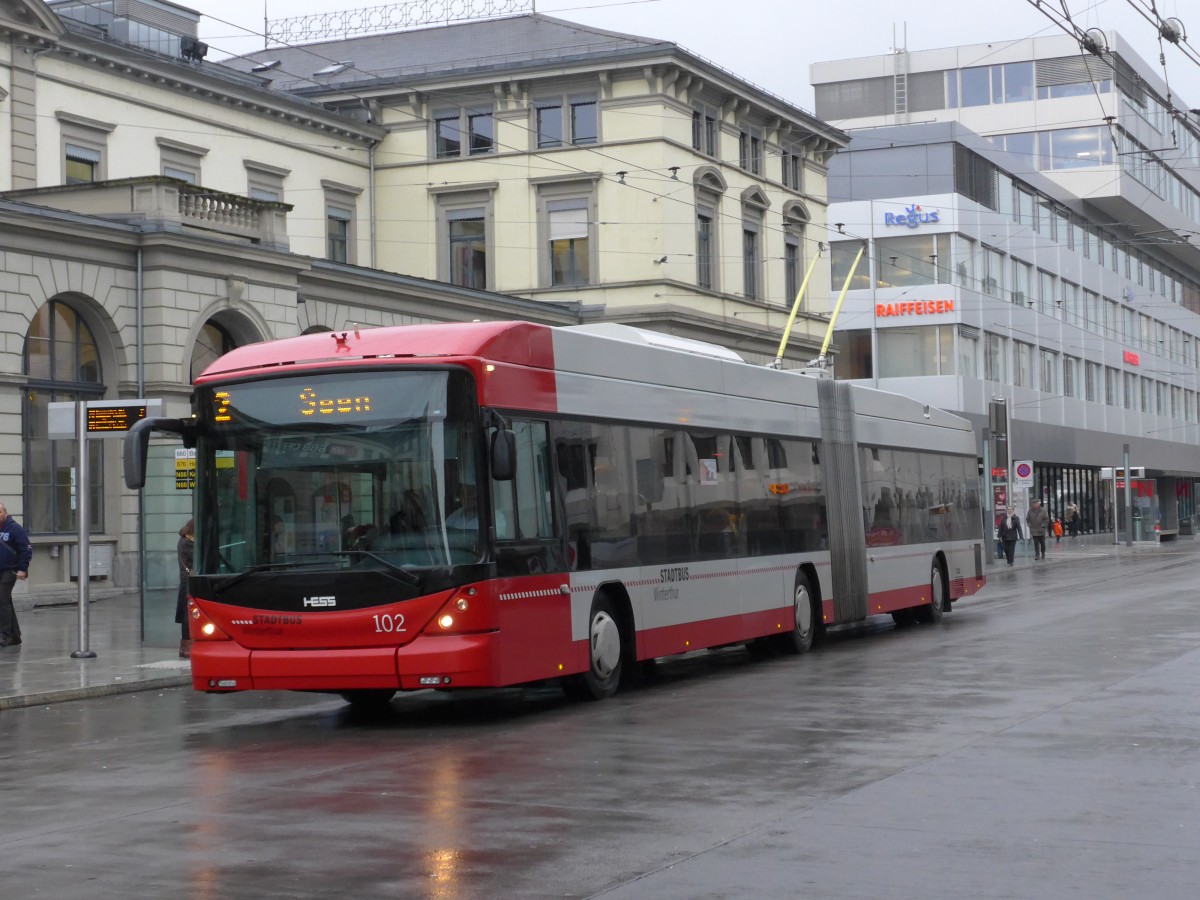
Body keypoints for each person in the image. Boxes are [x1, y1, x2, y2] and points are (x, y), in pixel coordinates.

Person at [0, 502, 32, 648]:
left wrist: (22, 568)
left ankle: (4, 635)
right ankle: (15, 635)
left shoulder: (15, 528)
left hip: (10, 570)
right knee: (6, 601)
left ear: (5, 512)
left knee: (2, 600)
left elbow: (25, 549)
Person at [176, 519, 194, 659]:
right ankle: (187, 646)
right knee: (188, 614)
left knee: (185, 613)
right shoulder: (188, 543)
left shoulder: (183, 540)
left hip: (185, 580)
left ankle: (185, 646)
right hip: (189, 580)